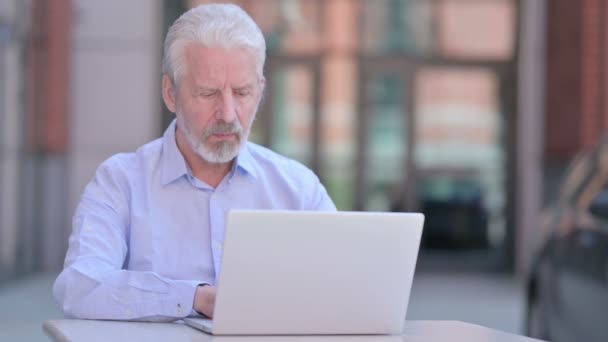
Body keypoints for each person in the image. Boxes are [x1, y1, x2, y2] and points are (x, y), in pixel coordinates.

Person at [53, 3, 336, 322]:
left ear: (260, 90)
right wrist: (194, 298)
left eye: (242, 93)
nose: (228, 115)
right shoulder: (121, 182)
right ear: (170, 93)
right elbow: (80, 287)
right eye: (208, 93)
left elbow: (342, 287)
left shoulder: (298, 189)